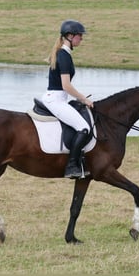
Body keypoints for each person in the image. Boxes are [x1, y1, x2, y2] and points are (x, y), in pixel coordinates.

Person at [42, 19, 94, 179]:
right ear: (70, 36)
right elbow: (66, 85)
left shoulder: (63, 53)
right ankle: (72, 166)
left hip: (58, 98)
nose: (81, 39)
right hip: (56, 99)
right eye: (79, 36)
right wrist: (84, 99)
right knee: (84, 128)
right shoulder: (63, 56)